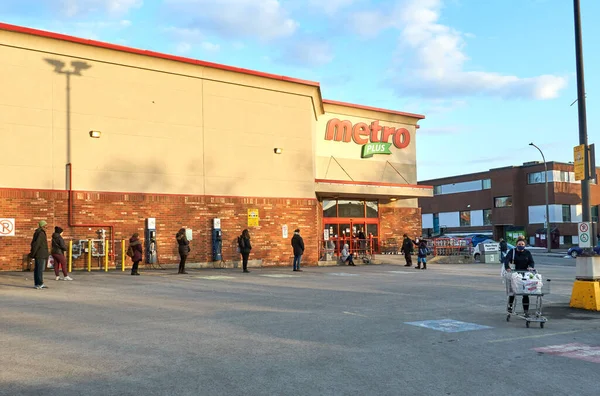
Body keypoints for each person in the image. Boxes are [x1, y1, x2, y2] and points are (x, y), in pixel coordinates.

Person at [504, 237, 535, 315]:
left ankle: (526, 311)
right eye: (519, 244)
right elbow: (507, 260)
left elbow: (531, 262)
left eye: (522, 244)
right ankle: (510, 307)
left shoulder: (527, 253)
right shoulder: (512, 252)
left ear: (525, 245)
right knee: (513, 292)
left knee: (525, 293)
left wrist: (531, 267)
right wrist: (507, 268)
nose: (521, 245)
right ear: (516, 245)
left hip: (524, 275)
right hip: (514, 274)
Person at [30, 220, 50, 289]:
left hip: (39, 253)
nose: (47, 227)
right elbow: (37, 244)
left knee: (38, 269)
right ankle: (39, 283)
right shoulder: (41, 233)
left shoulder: (39, 232)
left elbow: (35, 244)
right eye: (46, 226)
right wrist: (33, 254)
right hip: (40, 254)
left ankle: (38, 283)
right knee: (39, 269)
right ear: (43, 226)